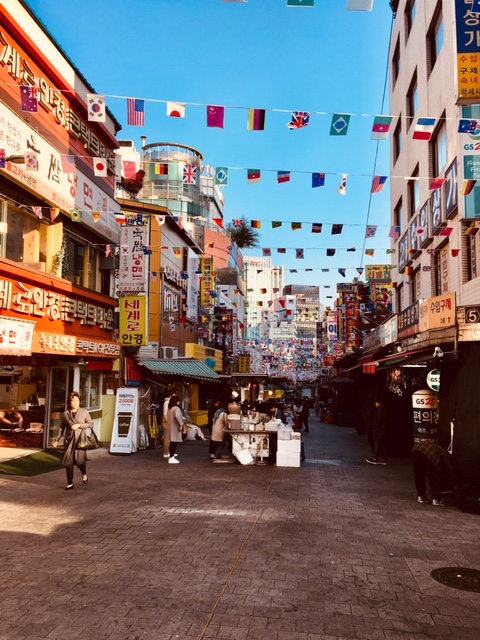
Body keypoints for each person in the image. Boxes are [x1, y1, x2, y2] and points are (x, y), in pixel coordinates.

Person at [53, 392, 92, 490]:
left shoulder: (84, 412)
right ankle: (70, 483)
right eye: (73, 401)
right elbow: (62, 427)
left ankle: (84, 473)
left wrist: (79, 425)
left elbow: (90, 424)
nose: (75, 403)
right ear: (69, 402)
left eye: (77, 401)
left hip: (80, 440)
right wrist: (57, 440)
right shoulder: (66, 414)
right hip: (69, 441)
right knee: (69, 462)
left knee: (79, 461)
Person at [411, 440, 455, 506]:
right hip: (428, 453)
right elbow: (448, 468)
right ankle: (436, 499)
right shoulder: (444, 453)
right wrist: (452, 479)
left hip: (415, 450)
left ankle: (421, 496)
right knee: (434, 476)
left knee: (419, 475)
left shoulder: (438, 448)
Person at [366, 399, 388, 465]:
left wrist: (374, 427)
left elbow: (378, 419)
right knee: (383, 445)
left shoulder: (379, 409)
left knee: (377, 444)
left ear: (378, 403)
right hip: (383, 431)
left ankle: (375, 458)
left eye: (376, 403)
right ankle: (384, 459)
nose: (375, 404)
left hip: (379, 431)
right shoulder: (384, 409)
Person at [166, 395, 185, 464]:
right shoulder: (176, 408)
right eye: (178, 401)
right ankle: (171, 457)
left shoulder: (170, 409)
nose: (179, 402)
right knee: (174, 442)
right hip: (175, 427)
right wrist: (181, 424)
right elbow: (177, 416)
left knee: (172, 442)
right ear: (176, 402)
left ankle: (171, 455)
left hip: (170, 427)